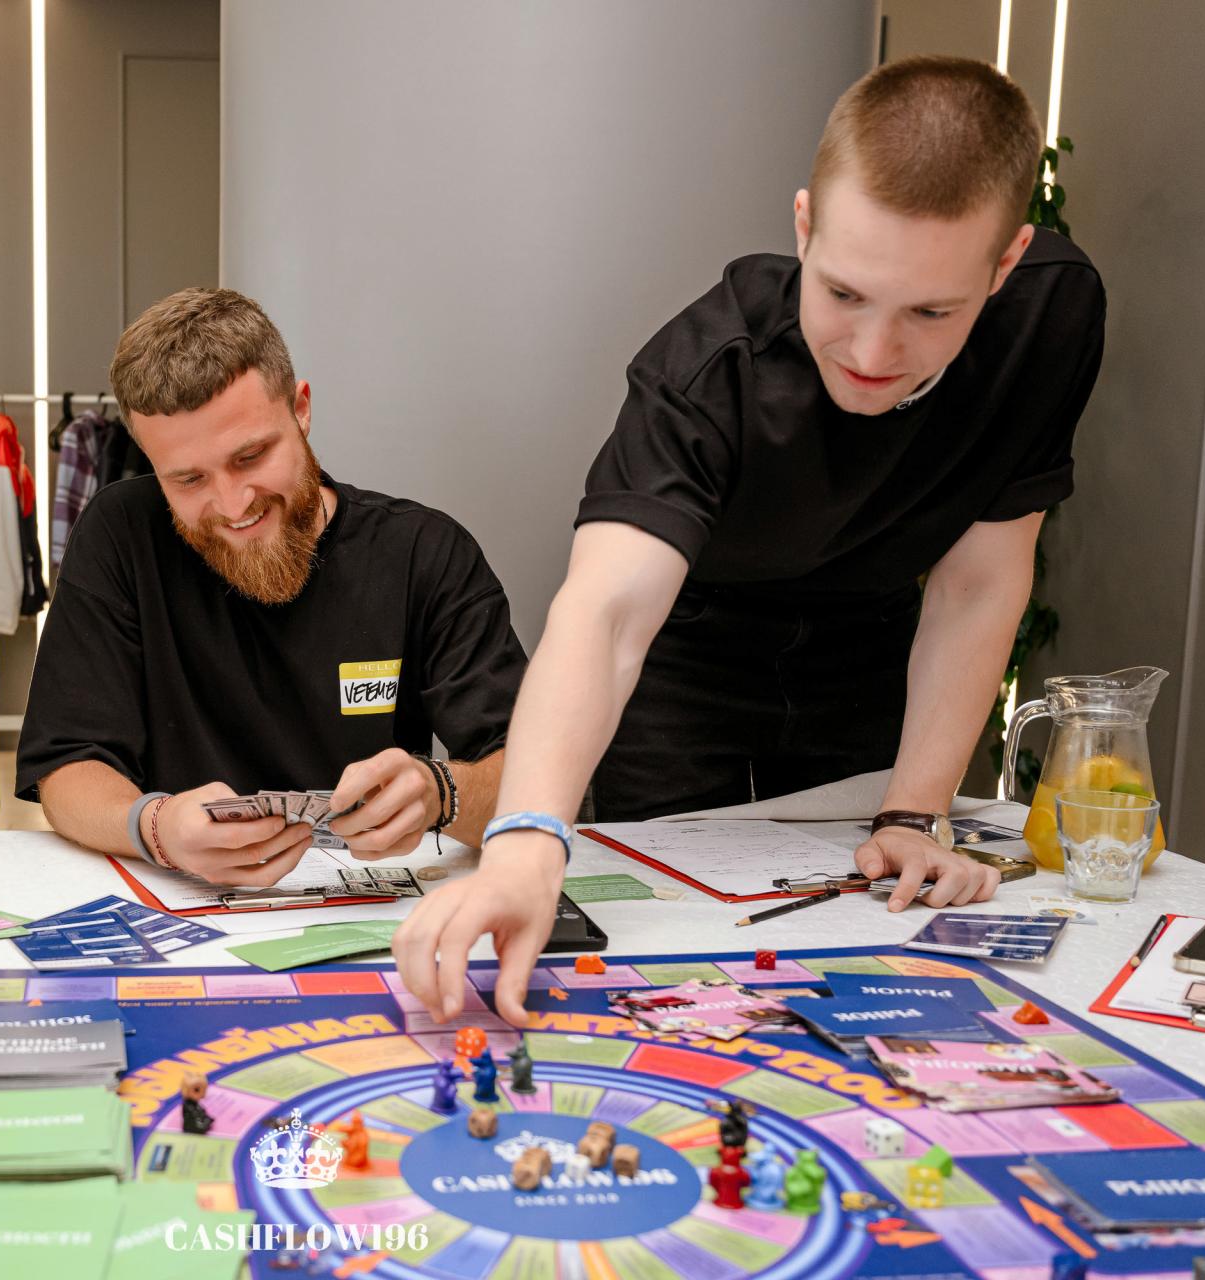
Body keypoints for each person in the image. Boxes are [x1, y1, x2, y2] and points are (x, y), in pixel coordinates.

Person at [396, 56, 1106, 1024]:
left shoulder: (1053, 316)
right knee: (674, 950)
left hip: (870, 640)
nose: (873, 353)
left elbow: (980, 578)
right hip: (691, 654)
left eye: (931, 312)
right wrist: (525, 843)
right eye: (843, 293)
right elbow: (608, 613)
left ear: (1008, 263)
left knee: (858, 936)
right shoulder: (707, 372)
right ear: (804, 226)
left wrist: (915, 811)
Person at [16, 288, 527, 885]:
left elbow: (532, 774)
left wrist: (442, 793)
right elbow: (68, 768)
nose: (233, 505)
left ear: (301, 409)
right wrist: (156, 828)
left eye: (251, 456)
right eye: (188, 480)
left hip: (377, 903)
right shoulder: (120, 533)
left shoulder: (423, 553)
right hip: (178, 894)